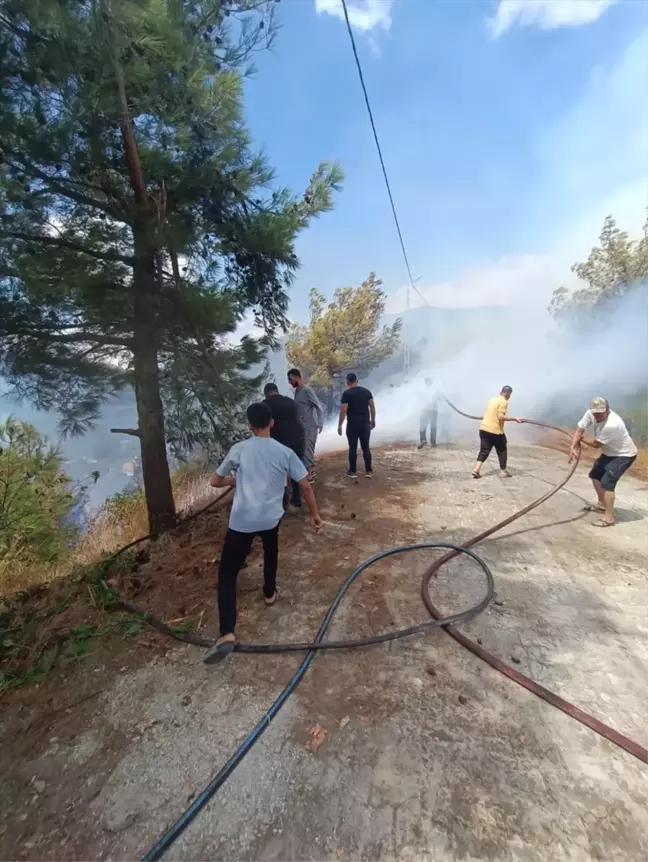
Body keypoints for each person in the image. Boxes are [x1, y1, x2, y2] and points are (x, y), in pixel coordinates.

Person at [204, 402, 322, 664]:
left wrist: (234, 480)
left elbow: (214, 482)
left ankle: (227, 634)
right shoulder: (284, 452)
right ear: (272, 423)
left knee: (227, 574)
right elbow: (305, 486)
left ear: (249, 426)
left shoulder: (239, 449)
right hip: (270, 518)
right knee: (271, 551)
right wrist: (315, 515)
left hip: (242, 520)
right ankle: (269, 593)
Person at [569, 396, 637, 527]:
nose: (598, 416)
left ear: (607, 409)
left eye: (601, 413)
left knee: (607, 482)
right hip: (609, 453)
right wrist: (572, 446)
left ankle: (609, 517)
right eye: (595, 413)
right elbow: (579, 430)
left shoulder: (612, 424)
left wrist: (581, 440)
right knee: (595, 475)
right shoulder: (590, 413)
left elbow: (595, 445)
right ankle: (601, 505)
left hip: (624, 454)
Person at [263, 381, 305, 508]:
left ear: (266, 394)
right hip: (299, 437)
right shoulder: (292, 402)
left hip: (280, 440)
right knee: (297, 469)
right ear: (276, 391)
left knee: (278, 471)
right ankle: (297, 498)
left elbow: (265, 425)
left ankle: (282, 501)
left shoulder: (265, 405)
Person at [471, 385, 523, 479]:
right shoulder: (504, 401)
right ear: (508, 393)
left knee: (484, 450)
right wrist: (515, 419)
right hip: (495, 431)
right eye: (510, 394)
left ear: (501, 392)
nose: (509, 396)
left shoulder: (492, 400)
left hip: (483, 428)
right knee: (502, 450)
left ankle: (476, 469)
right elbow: (500, 416)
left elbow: (491, 413)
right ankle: (503, 472)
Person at [287, 368, 324, 478]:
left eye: (291, 379)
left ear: (297, 377)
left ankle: (309, 475)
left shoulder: (307, 390)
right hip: (301, 426)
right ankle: (307, 474)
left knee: (307, 449)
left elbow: (318, 407)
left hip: (310, 426)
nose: (289, 382)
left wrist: (320, 422)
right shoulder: (297, 391)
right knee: (303, 450)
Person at [337, 372, 375, 479]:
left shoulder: (347, 394)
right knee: (365, 447)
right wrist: (373, 420)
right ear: (357, 380)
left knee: (352, 447)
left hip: (352, 424)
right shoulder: (366, 392)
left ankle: (352, 471)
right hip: (365, 424)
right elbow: (372, 407)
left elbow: (343, 411)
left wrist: (340, 425)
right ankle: (369, 471)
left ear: (347, 382)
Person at [418, 377, 440, 449]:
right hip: (427, 409)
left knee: (432, 425)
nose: (428, 382)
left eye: (429, 381)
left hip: (431, 409)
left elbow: (438, 397)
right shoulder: (426, 390)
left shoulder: (435, 390)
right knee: (424, 425)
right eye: (427, 381)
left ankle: (430, 441)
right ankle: (425, 440)